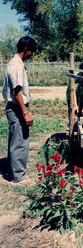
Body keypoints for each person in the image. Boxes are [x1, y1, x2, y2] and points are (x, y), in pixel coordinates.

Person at [2, 36, 37, 186]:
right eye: (31, 52)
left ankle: (12, 171)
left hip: (15, 108)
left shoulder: (15, 63)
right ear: (25, 50)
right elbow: (17, 91)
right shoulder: (16, 65)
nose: (31, 55)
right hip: (17, 108)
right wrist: (25, 112)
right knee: (20, 142)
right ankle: (18, 177)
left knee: (15, 140)